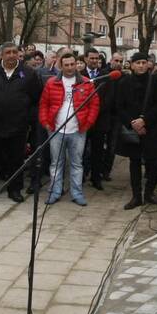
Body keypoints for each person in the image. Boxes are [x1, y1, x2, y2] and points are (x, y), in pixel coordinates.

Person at [0, 43, 42, 203]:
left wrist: (25, 117)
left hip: (17, 125)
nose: (11, 55)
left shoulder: (29, 73)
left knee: (15, 158)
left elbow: (35, 98)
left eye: (14, 52)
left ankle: (15, 189)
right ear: (1, 55)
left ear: (19, 55)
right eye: (7, 52)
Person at [38, 52, 98, 206]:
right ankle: (55, 192)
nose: (70, 67)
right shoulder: (52, 83)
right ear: (61, 65)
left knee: (77, 164)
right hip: (56, 130)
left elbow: (94, 105)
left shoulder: (86, 83)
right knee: (56, 163)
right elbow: (44, 104)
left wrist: (88, 123)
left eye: (73, 64)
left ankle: (76, 193)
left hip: (78, 131)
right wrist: (45, 122)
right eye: (67, 65)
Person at [115, 52, 157, 209]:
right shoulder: (124, 82)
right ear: (132, 64)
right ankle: (136, 196)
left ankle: (149, 193)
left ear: (148, 64)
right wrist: (132, 123)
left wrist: (144, 121)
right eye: (138, 63)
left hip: (152, 128)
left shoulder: (156, 81)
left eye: (144, 62)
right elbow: (119, 106)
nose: (141, 65)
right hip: (133, 130)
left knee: (155, 161)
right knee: (134, 162)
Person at [83, 49, 116, 190]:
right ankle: (81, 176)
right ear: (85, 59)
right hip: (83, 120)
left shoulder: (106, 76)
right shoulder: (80, 75)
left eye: (97, 58)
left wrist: (95, 111)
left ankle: (96, 178)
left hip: (100, 120)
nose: (95, 61)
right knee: (81, 150)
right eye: (92, 58)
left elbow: (109, 98)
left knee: (97, 151)